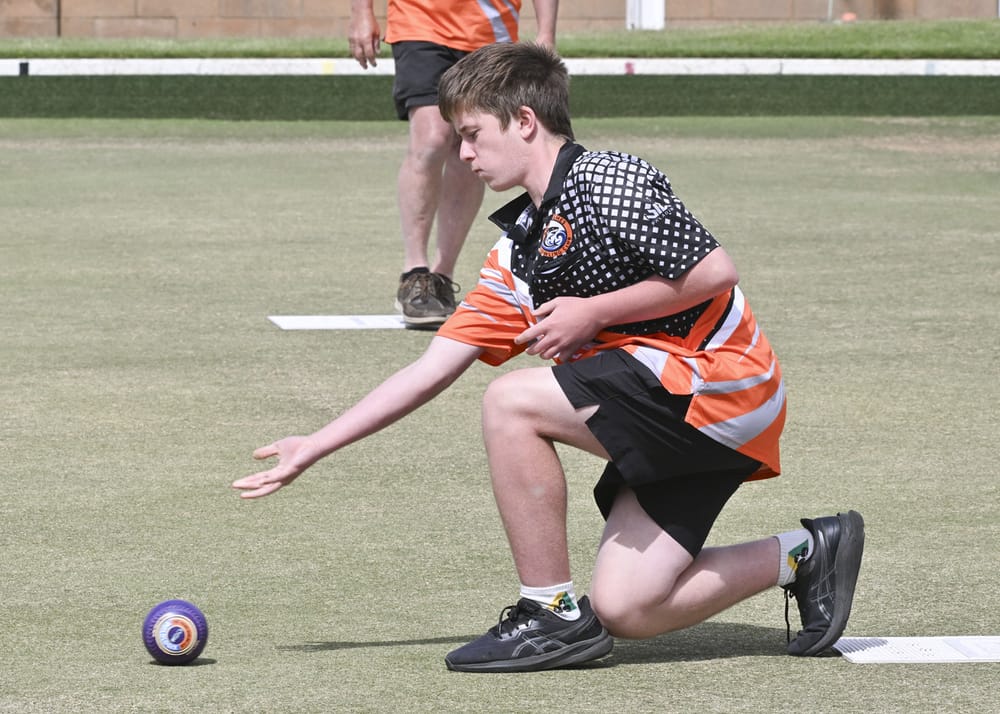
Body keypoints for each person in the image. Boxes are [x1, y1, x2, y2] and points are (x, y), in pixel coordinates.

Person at [235, 42, 865, 673]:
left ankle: (550, 612)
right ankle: (807, 554)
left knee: (511, 401)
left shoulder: (606, 178)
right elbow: (431, 368)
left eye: (473, 134)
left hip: (722, 387)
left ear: (525, 121)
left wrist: (594, 312)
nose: (464, 154)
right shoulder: (518, 254)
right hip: (675, 413)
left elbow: (714, 271)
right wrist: (316, 444)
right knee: (629, 608)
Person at [348, 0, 559, 329]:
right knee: (432, 138)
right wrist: (361, 12)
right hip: (417, 18)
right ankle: (414, 272)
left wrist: (546, 31)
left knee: (471, 142)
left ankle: (441, 277)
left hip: (490, 26)